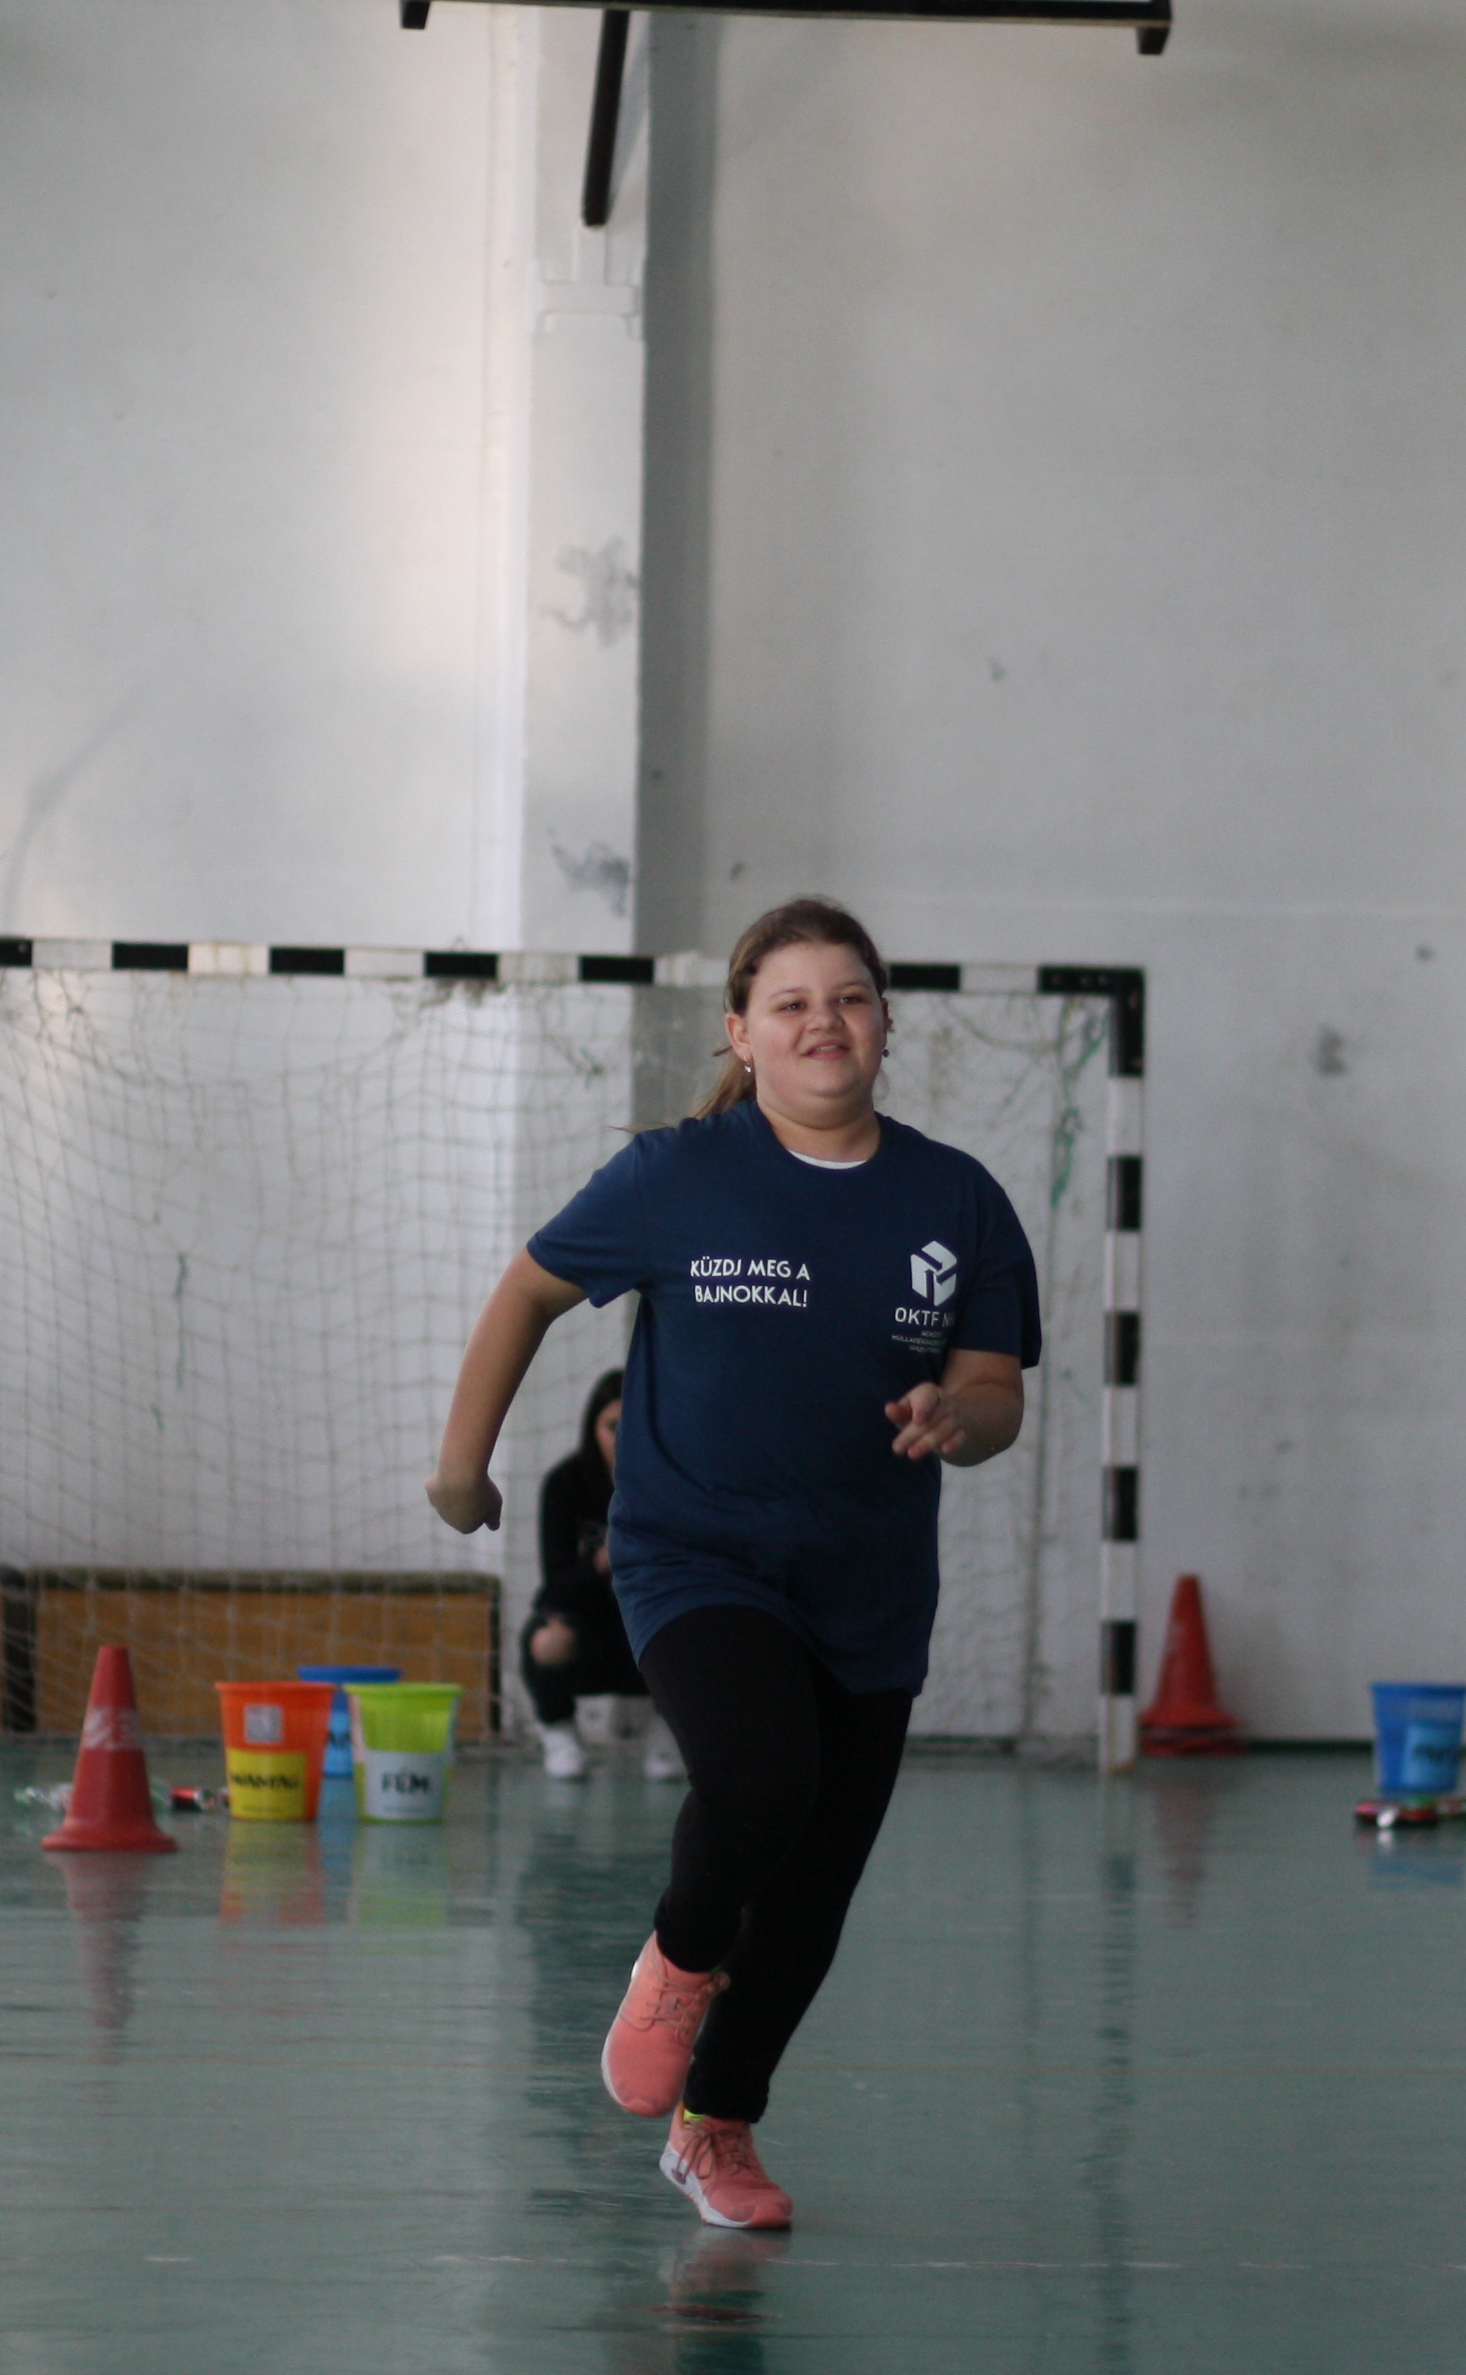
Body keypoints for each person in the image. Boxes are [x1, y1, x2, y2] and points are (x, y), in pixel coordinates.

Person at [428, 897, 1040, 2231]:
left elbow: (997, 1391)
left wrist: (961, 1414)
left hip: (869, 1585)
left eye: (852, 997)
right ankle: (677, 1959)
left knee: (815, 1893)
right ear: (743, 1034)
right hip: (693, 1552)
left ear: (885, 1025)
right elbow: (529, 1290)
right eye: (793, 1002)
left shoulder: (958, 1200)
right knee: (762, 1780)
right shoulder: (675, 1176)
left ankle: (716, 2127)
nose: (827, 1021)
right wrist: (460, 1466)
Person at [520, 1368, 677, 1782]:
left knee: (705, 1629)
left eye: (633, 1427)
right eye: (612, 1427)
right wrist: (608, 1559)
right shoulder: (565, 1483)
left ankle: (669, 1730)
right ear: (593, 1428)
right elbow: (556, 1587)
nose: (622, 1439)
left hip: (649, 1624)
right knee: (547, 1642)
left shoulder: (673, 1483)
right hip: (588, 1627)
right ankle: (558, 1729)